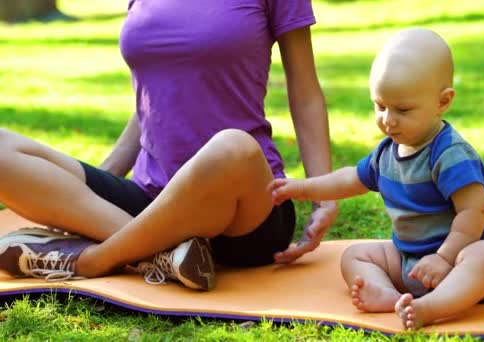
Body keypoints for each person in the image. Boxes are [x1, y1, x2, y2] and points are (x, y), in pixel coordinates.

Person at [0, 0, 337, 291]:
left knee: (234, 146)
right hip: (151, 198)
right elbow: (153, 100)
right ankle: (163, 254)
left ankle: (95, 259)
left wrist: (322, 194)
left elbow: (304, 90)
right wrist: (88, 188)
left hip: (243, 210)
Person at [267, 27, 484, 329]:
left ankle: (431, 306)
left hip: (455, 264)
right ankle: (389, 295)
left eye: (403, 109)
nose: (388, 119)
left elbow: (475, 211)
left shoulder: (450, 154)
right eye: (380, 106)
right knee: (354, 255)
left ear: (443, 102)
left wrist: (444, 257)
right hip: (407, 261)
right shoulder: (386, 153)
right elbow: (348, 180)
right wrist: (301, 188)